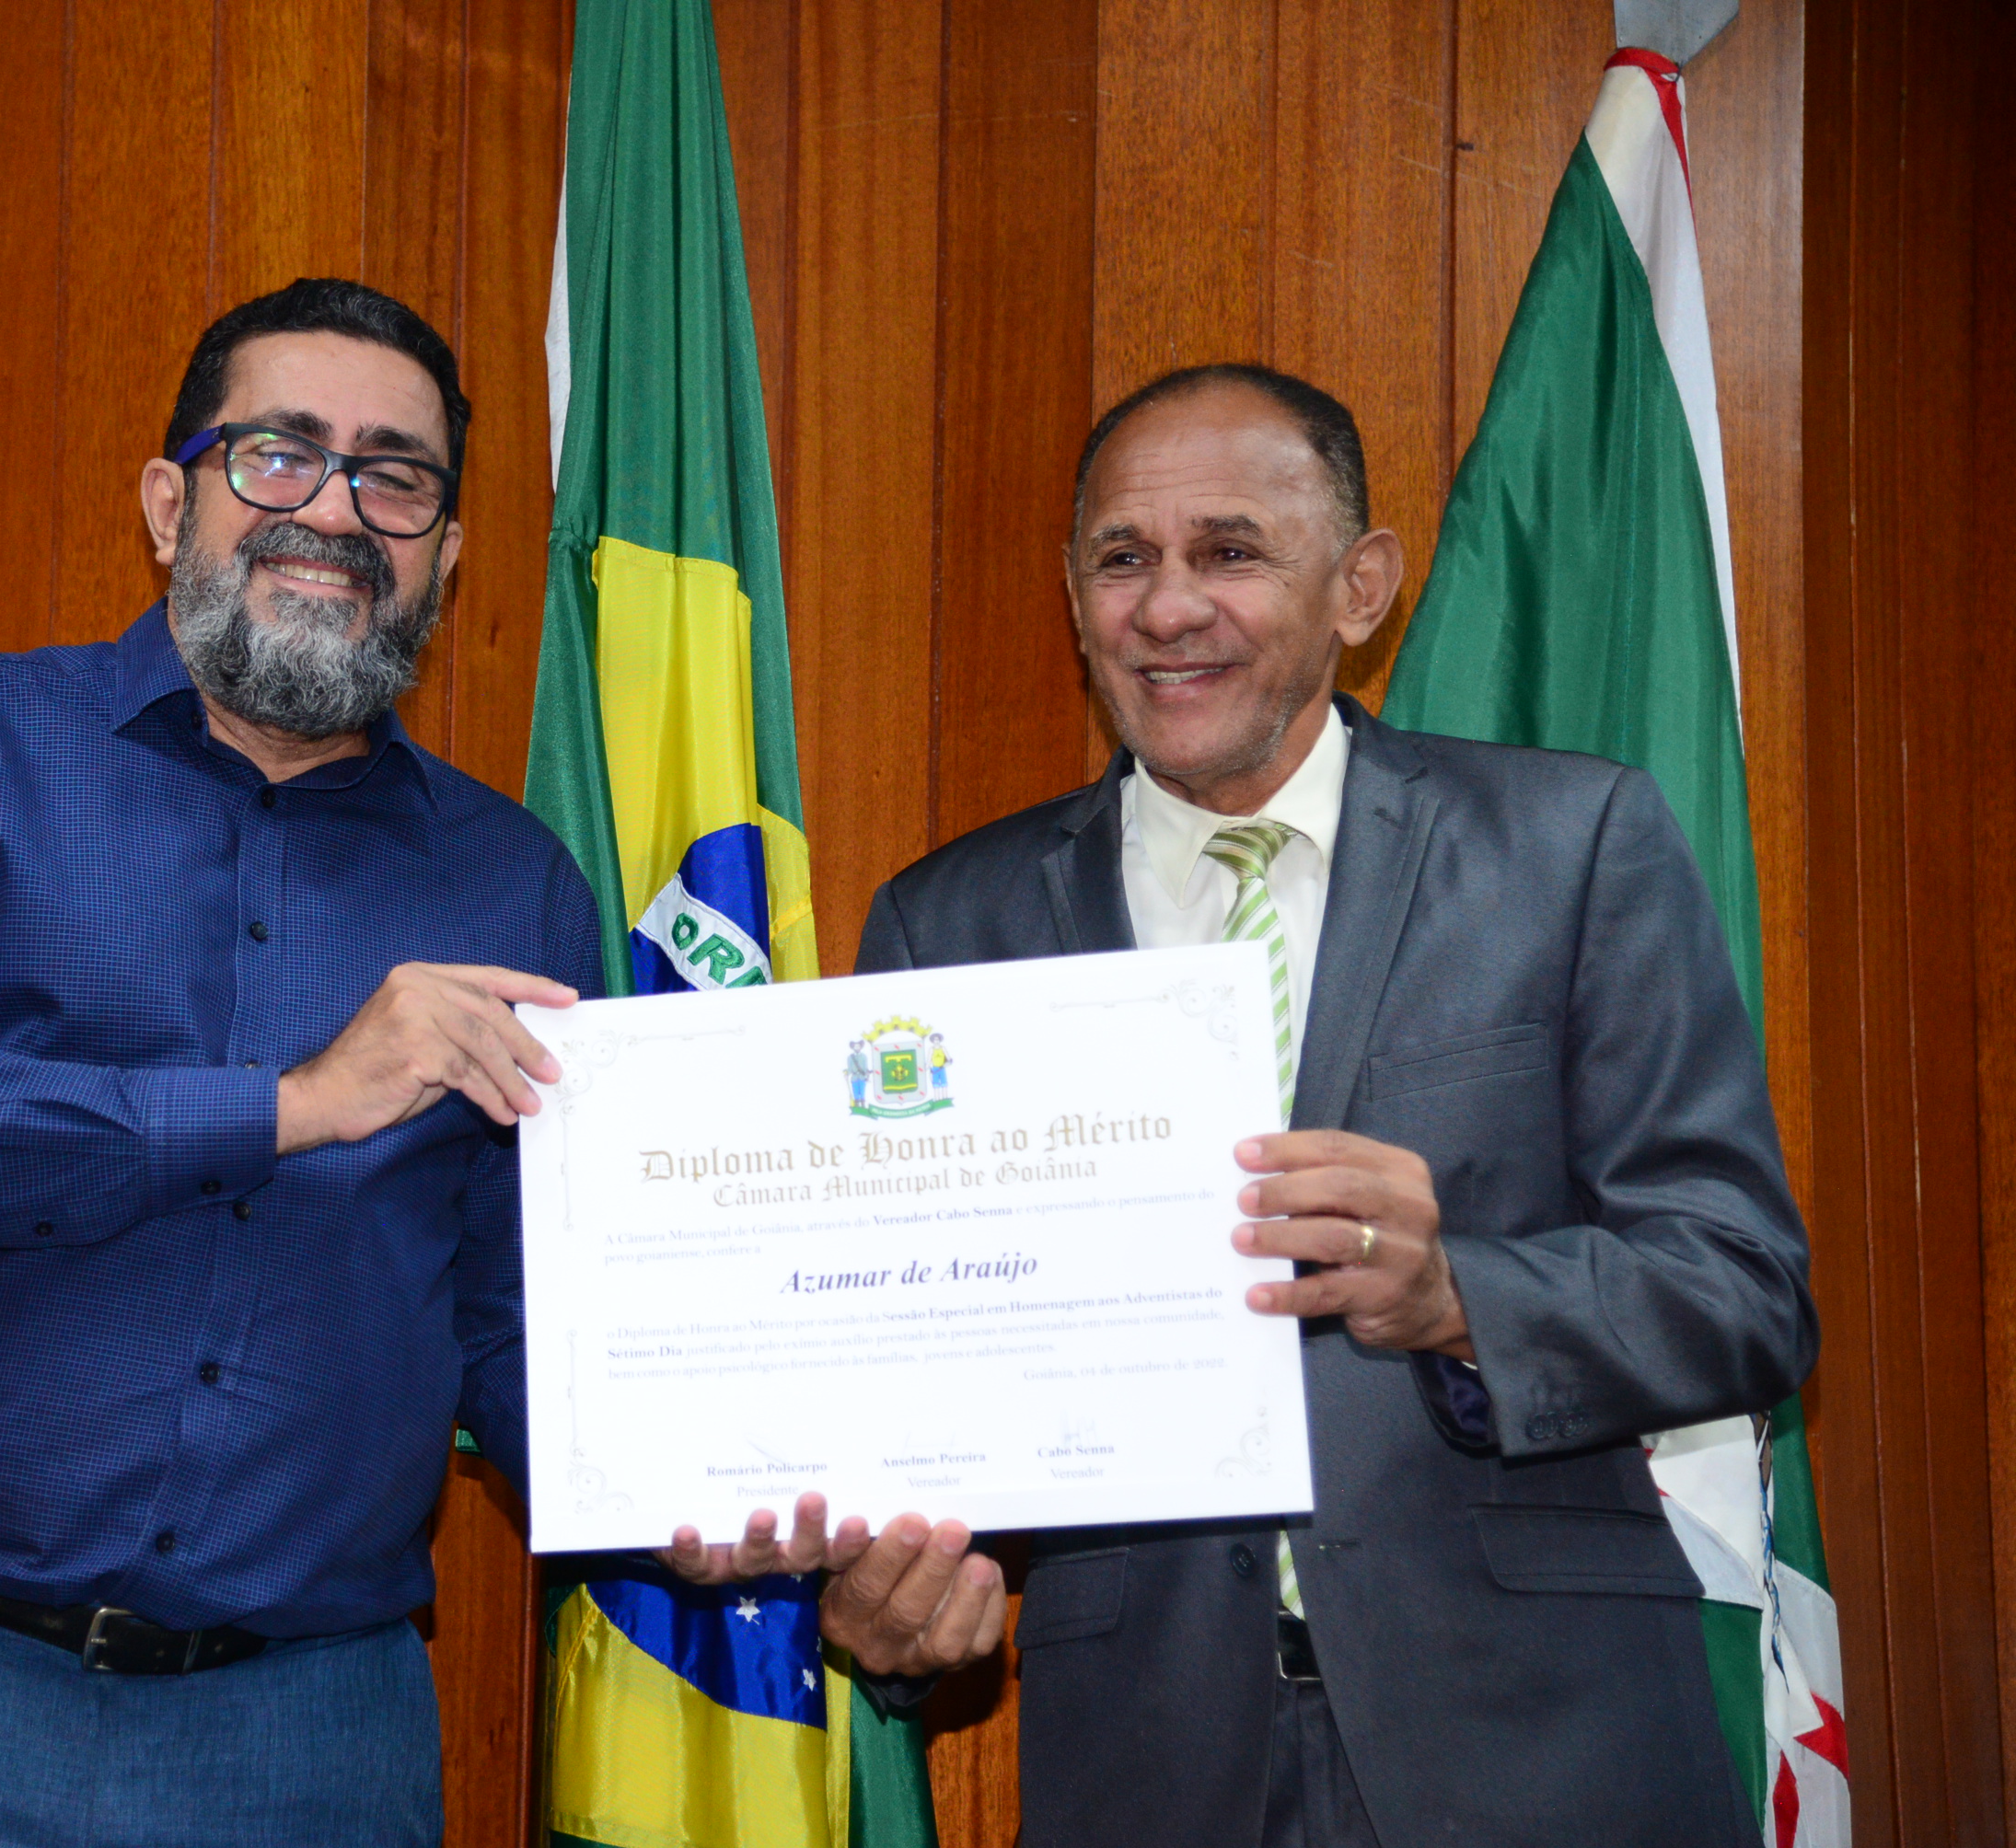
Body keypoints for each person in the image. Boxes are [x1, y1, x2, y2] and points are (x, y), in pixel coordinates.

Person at [671, 364, 1816, 1845]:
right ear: (1074, 596)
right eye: (1122, 559)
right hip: (1148, 1763)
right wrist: (891, 1589)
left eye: (1229, 551)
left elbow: (1742, 1290)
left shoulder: (1568, 844)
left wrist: (1458, 1297)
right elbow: (931, 1371)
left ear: (1361, 587)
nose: (1167, 607)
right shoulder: (949, 923)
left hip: (1539, 1745)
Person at [0, 279, 608, 1846]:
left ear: (447, 554)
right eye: (279, 453)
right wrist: (292, 1108)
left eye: (394, 477)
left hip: (309, 1748)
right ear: (166, 501)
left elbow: (517, 1316)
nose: (334, 512)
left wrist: (728, 1508)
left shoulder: (515, 887)